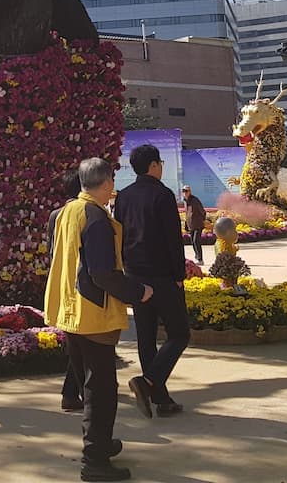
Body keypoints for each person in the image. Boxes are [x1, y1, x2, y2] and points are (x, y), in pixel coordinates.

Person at [46, 157, 152, 483]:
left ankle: (101, 445)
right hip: (93, 314)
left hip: (68, 309)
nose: (112, 189)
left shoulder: (63, 213)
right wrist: (138, 291)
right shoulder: (96, 218)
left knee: (89, 383)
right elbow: (102, 273)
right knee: (101, 390)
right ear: (105, 183)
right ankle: (95, 460)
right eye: (111, 183)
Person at [112, 143, 188, 418]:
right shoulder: (163, 195)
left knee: (146, 337)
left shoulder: (124, 197)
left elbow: (118, 237)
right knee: (179, 334)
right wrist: (179, 276)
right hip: (163, 277)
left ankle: (160, 397)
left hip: (135, 276)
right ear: (154, 165)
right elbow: (173, 241)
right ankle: (147, 382)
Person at [50, 169, 86, 413]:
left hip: (61, 281)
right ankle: (74, 391)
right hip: (81, 284)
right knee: (83, 340)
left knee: (76, 340)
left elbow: (51, 250)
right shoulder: (85, 212)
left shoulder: (55, 214)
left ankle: (74, 391)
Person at [180, 185, 207, 265]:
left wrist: (202, 220)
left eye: (186, 191)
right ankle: (197, 255)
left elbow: (202, 211)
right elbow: (187, 213)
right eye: (183, 191)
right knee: (193, 241)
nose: (185, 193)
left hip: (198, 224)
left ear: (190, 192)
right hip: (190, 225)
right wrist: (186, 224)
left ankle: (200, 259)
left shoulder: (195, 200)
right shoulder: (184, 201)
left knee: (196, 241)